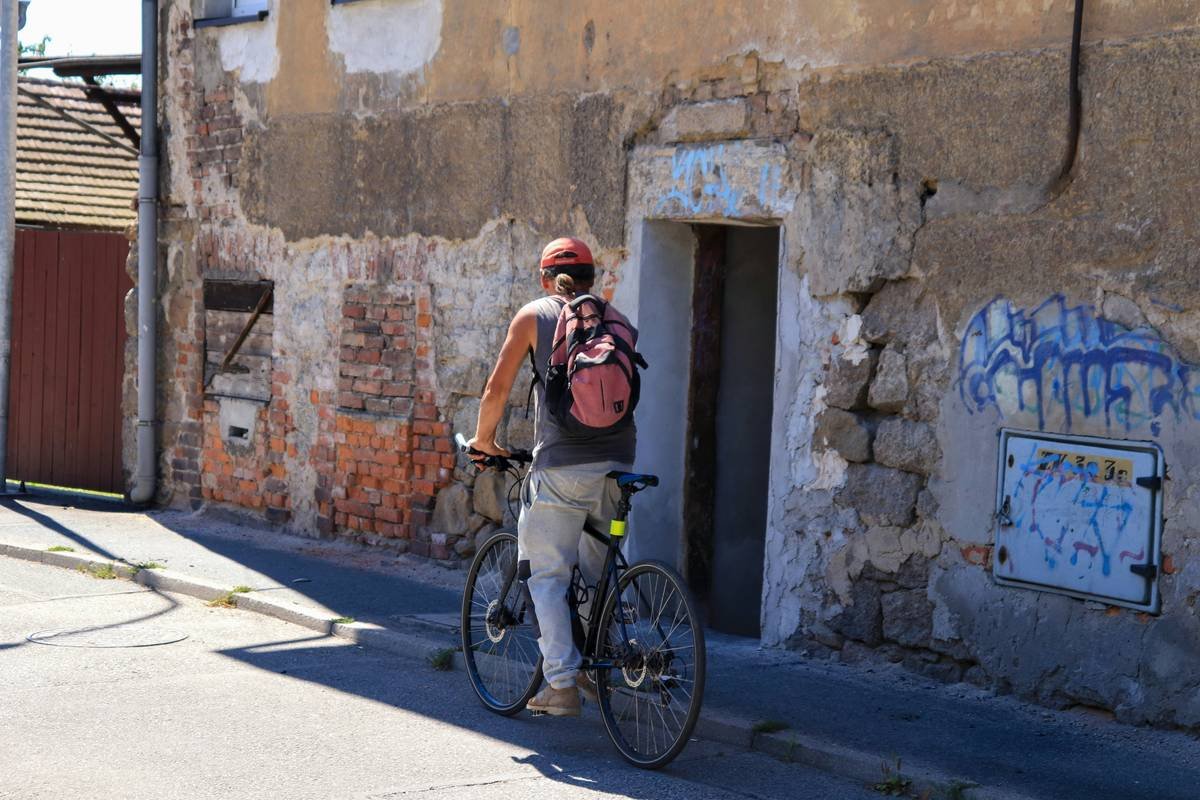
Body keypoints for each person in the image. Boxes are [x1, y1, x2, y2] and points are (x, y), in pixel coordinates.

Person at [467, 236, 636, 717]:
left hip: (561, 465)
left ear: (545, 278)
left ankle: (561, 683)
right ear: (592, 278)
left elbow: (496, 388)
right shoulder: (616, 320)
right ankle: (601, 663)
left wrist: (485, 441)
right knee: (598, 570)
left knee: (546, 573)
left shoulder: (533, 315)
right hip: (620, 462)